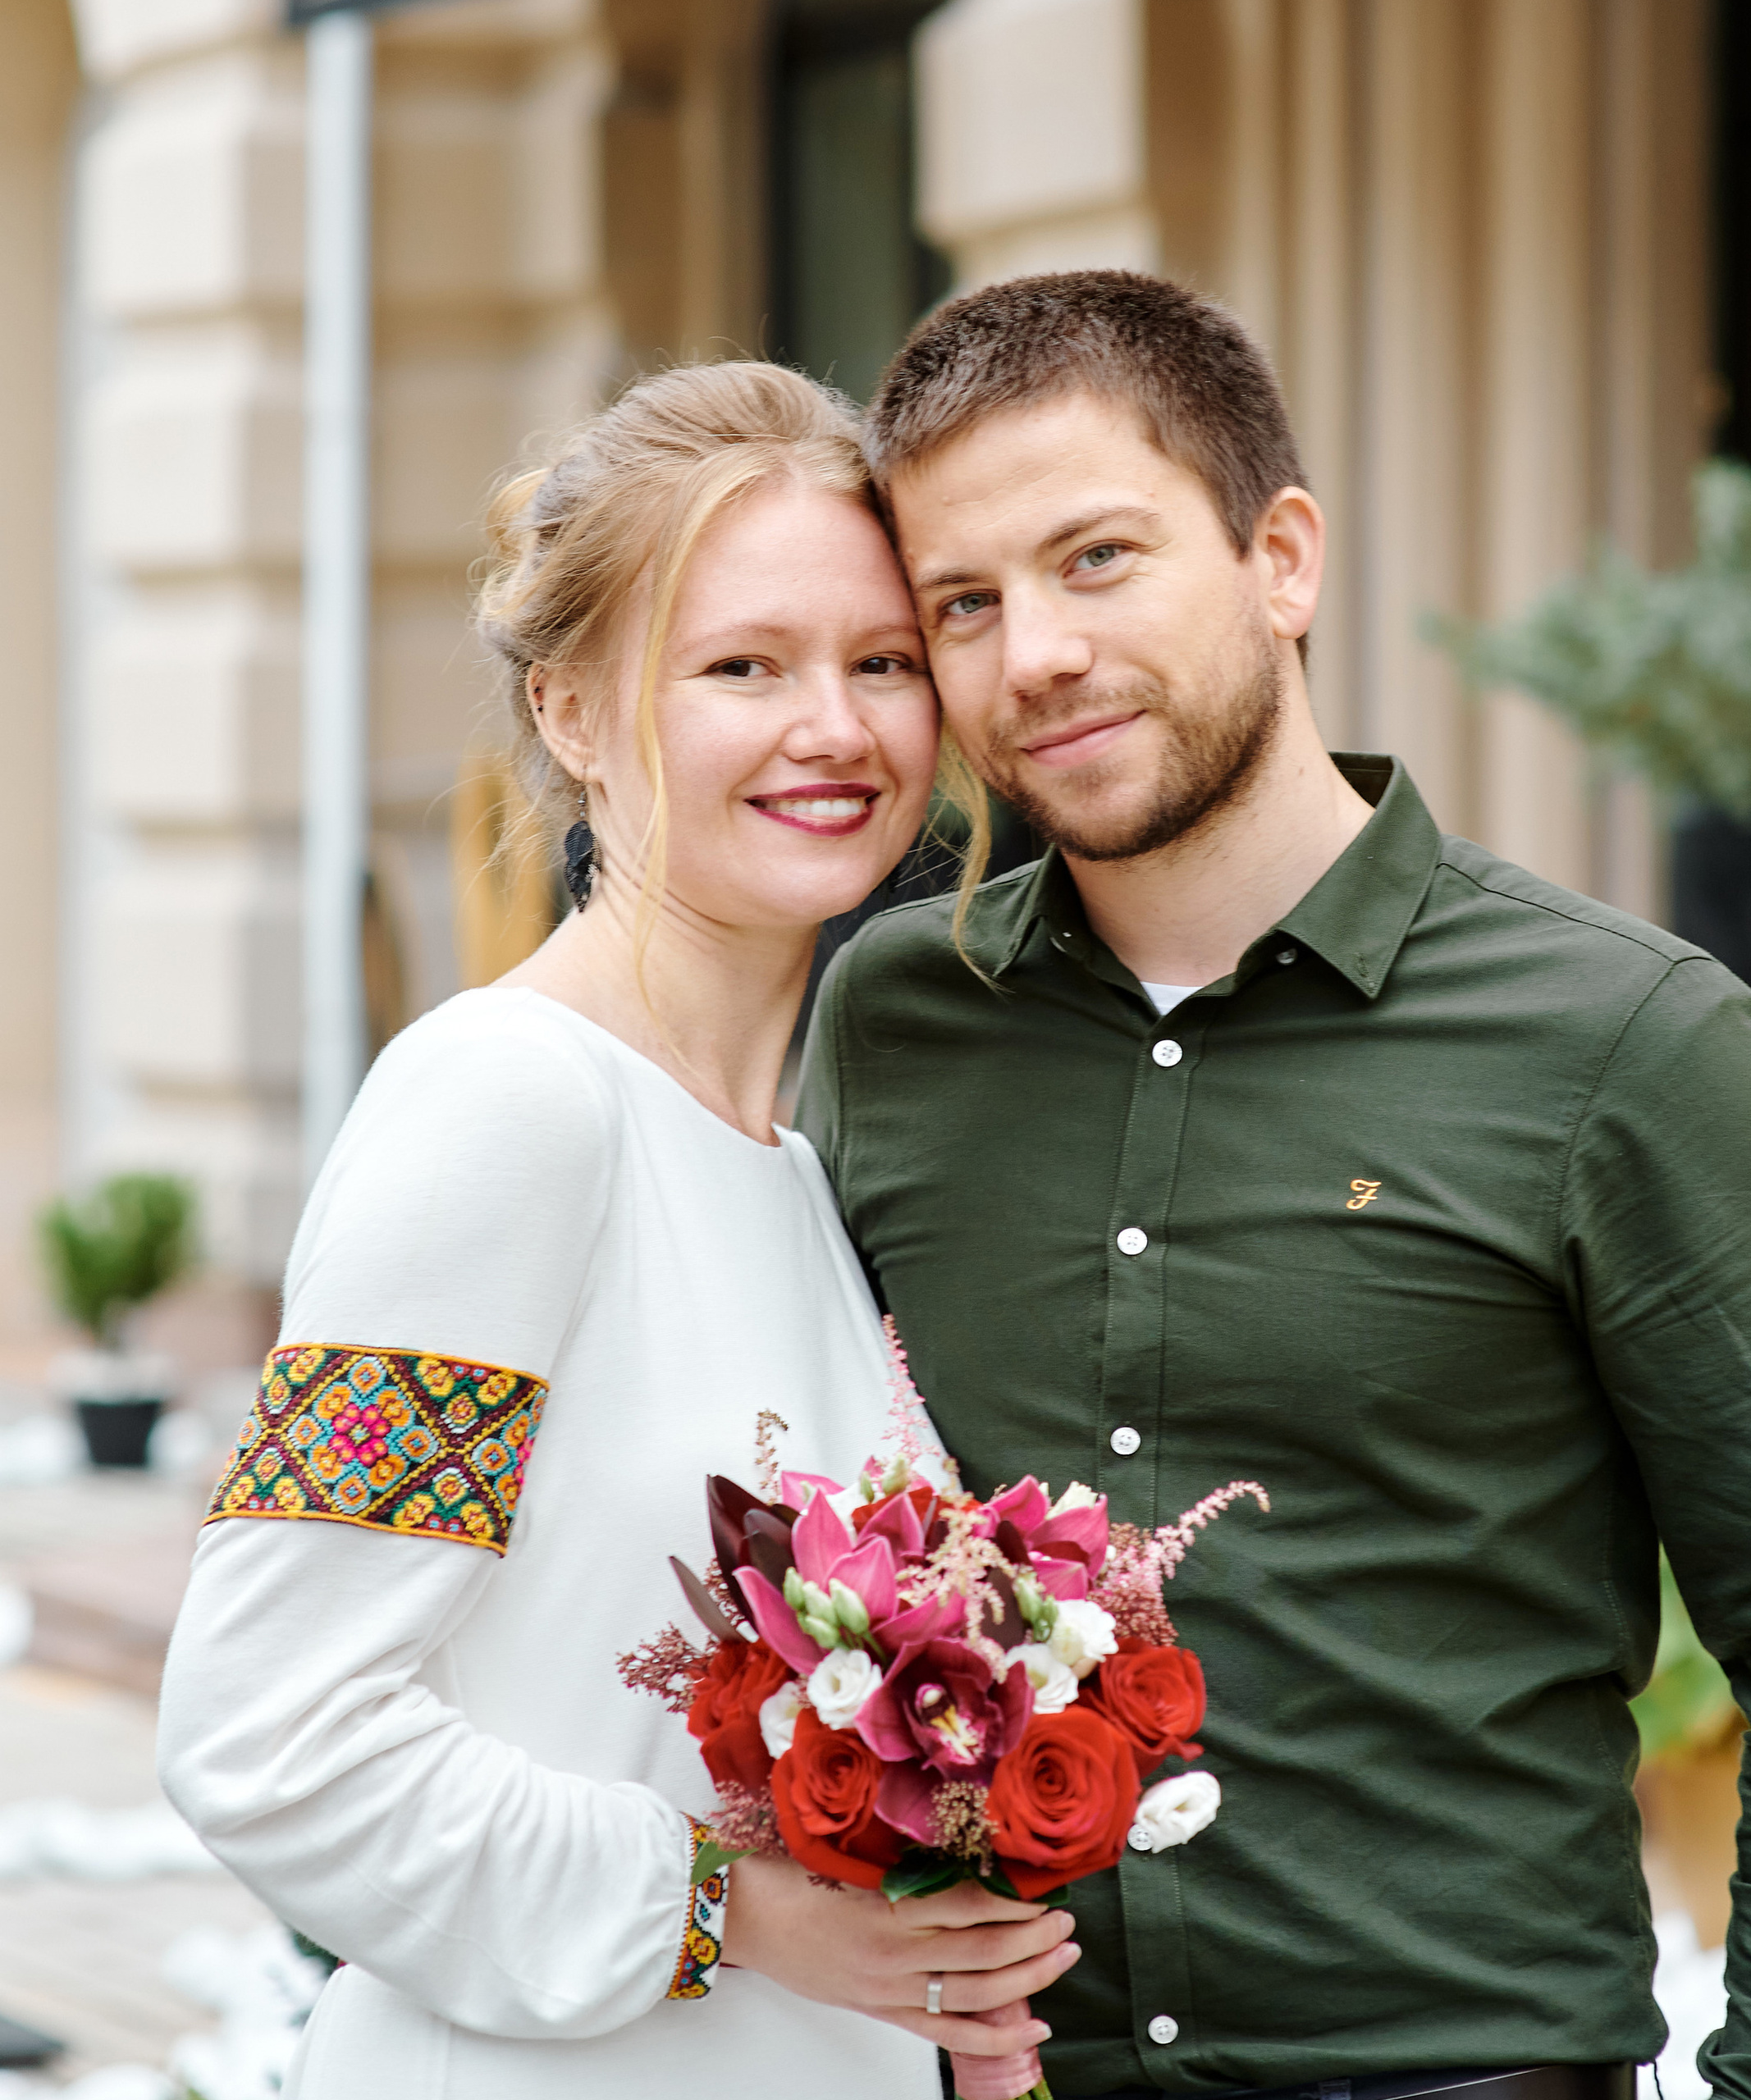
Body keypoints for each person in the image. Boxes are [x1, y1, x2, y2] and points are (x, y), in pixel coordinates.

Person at [798, 272, 1751, 2100]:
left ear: (1280, 559)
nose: (1029, 653)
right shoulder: (892, 1016)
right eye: (963, 602)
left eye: (1094, 557)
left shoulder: (1626, 1043)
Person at [156, 362, 1076, 2099]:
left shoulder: (788, 1165)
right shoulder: (499, 1109)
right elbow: (266, 1735)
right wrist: (740, 1913)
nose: (836, 726)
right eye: (743, 665)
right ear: (573, 710)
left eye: (880, 662)